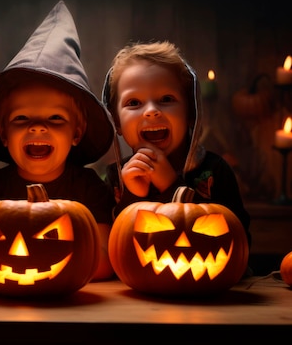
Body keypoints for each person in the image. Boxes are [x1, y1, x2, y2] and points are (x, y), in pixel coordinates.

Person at [0, 0, 117, 281]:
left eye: (55, 119)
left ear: (77, 133)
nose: (37, 128)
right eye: (21, 119)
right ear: (2, 133)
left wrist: (50, 267)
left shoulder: (89, 189)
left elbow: (106, 257)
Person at [102, 40, 251, 249]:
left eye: (166, 99)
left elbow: (238, 242)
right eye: (134, 103)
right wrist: (132, 195)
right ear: (116, 122)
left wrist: (172, 187)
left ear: (191, 113)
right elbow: (113, 249)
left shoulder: (214, 171)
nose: (151, 111)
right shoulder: (116, 179)